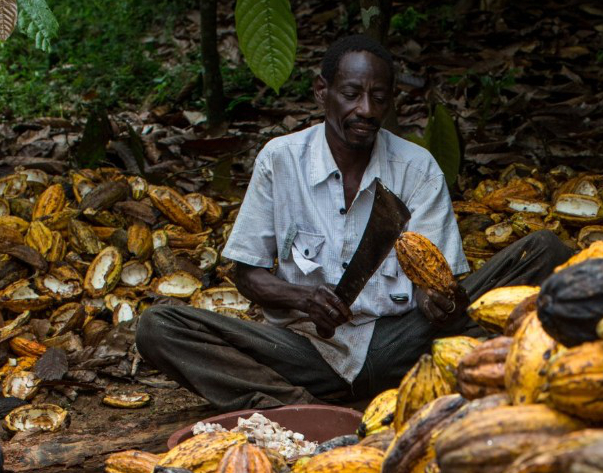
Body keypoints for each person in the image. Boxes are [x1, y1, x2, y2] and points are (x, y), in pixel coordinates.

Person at [135, 35, 573, 412]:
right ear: (322, 91)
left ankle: (364, 398)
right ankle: (296, 408)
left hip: (403, 344)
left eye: (378, 97)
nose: (365, 109)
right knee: (160, 327)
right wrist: (302, 298)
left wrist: (435, 300)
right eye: (351, 94)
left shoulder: (416, 168)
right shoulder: (280, 160)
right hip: (306, 351)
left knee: (545, 251)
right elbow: (246, 273)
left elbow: (432, 277)